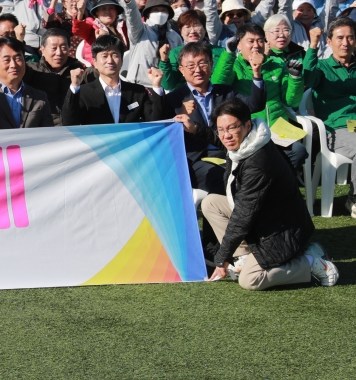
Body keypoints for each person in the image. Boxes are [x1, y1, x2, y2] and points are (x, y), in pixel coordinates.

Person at [203, 99, 338, 289]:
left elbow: (243, 216)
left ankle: (312, 264)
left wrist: (221, 260)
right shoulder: (250, 140)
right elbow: (223, 137)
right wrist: (195, 129)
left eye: (231, 128)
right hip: (266, 218)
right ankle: (244, 257)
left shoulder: (259, 161)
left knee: (250, 280)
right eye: (221, 129)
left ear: (247, 125)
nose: (226, 136)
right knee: (211, 203)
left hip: (282, 229)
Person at [169, 43, 266, 202]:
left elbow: (255, 105)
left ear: (211, 65)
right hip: (195, 160)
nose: (198, 70)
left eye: (202, 63)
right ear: (181, 70)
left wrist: (257, 73)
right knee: (225, 180)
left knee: (257, 173)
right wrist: (179, 114)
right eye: (191, 65)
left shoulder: (226, 92)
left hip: (229, 153)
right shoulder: (174, 99)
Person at [302, 17, 356, 217]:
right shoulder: (322, 67)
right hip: (336, 128)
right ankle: (354, 198)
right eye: (340, 38)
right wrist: (313, 46)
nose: (345, 42)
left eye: (350, 37)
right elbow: (306, 78)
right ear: (329, 41)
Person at [61, 34, 164, 126]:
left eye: (115, 55)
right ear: (95, 62)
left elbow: (156, 121)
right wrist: (74, 87)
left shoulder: (138, 91)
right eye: (104, 56)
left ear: (122, 61)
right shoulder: (83, 92)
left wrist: (157, 86)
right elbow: (69, 122)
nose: (110, 61)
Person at [0, 37, 54, 130]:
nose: (13, 65)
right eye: (7, 60)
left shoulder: (39, 97)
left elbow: (48, 132)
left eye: (18, 58)